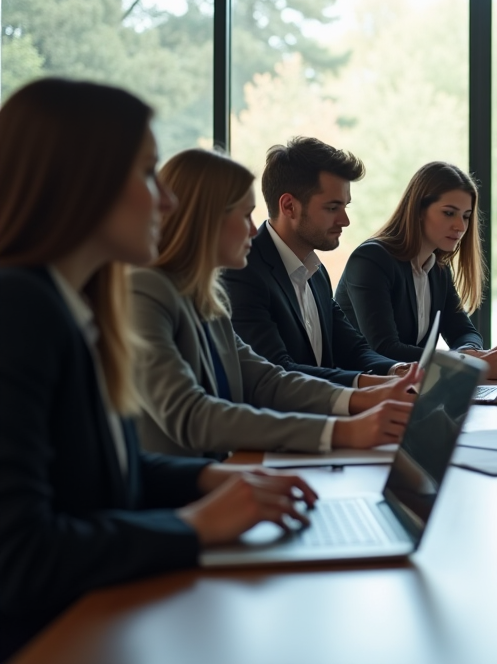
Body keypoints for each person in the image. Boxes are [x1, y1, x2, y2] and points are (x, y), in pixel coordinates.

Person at [0, 79, 321, 659]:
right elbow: (19, 554)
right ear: (79, 182)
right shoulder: (20, 310)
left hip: (99, 617)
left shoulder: (76, 305)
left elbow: (107, 473)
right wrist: (196, 527)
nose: (167, 201)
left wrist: (209, 482)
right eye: (147, 174)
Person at [133, 149, 420, 460]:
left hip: (221, 474)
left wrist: (366, 397)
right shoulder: (147, 290)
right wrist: (344, 430)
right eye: (245, 215)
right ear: (205, 219)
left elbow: (267, 381)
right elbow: (191, 415)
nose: (253, 229)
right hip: (178, 491)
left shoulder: (203, 297)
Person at [223, 137, 407, 387]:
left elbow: (353, 349)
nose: (345, 220)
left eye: (345, 207)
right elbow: (278, 372)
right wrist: (367, 387)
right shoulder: (243, 272)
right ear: (289, 206)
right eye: (332, 208)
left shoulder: (315, 272)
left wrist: (398, 370)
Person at [337, 161, 497, 378]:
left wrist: (468, 352)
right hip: (364, 390)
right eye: (449, 213)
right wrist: (467, 362)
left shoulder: (437, 269)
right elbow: (384, 348)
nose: (460, 226)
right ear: (419, 210)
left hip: (409, 387)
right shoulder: (371, 259)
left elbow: (464, 332)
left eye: (466, 216)